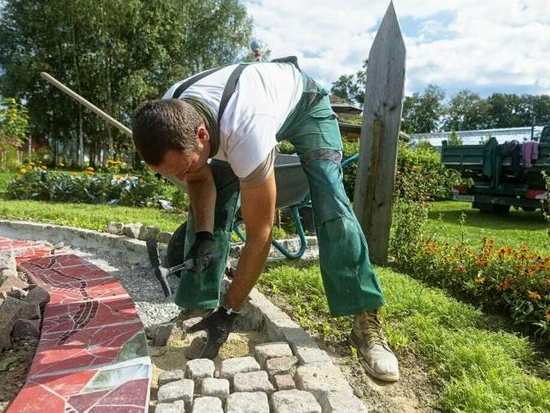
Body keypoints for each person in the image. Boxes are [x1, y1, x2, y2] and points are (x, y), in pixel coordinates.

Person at [131, 59, 399, 382]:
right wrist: (203, 236)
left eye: (183, 168)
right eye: (169, 174)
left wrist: (230, 312)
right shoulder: (173, 109)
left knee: (330, 197)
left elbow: (260, 236)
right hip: (239, 119)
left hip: (305, 104)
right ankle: (197, 307)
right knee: (207, 210)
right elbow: (200, 180)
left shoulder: (247, 127)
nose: (180, 178)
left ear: (202, 135)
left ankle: (364, 321)